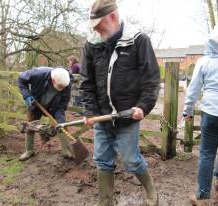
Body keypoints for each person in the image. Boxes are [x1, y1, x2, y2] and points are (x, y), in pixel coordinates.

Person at [80, 0, 160, 205]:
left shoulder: (138, 41)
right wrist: (90, 111)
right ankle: (106, 201)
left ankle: (150, 189)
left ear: (113, 17)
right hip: (101, 116)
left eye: (99, 25)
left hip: (127, 115)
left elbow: (151, 81)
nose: (95, 30)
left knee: (130, 160)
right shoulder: (91, 44)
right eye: (93, 26)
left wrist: (143, 107)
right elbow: (86, 82)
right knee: (101, 160)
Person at [183, 25, 218, 206]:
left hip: (213, 112)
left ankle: (202, 197)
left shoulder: (204, 61)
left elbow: (193, 89)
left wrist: (188, 110)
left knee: (207, 153)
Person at [18, 67, 72, 161]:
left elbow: (64, 102)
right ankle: (29, 150)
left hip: (55, 106)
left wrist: (60, 119)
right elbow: (21, 80)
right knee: (31, 124)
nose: (63, 89)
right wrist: (27, 95)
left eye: (64, 87)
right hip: (36, 102)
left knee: (62, 125)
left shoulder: (66, 82)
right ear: (53, 80)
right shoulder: (37, 74)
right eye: (60, 87)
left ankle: (66, 151)